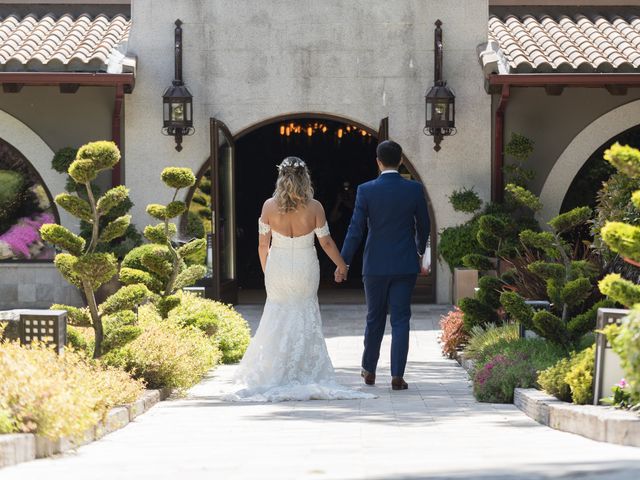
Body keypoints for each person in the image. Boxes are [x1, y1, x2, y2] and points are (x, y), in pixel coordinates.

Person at [225, 157, 376, 402]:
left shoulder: (268, 206)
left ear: (281, 178)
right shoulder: (315, 207)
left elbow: (263, 244)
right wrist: (341, 264)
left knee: (278, 314)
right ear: (305, 178)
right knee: (305, 313)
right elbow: (325, 242)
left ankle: (276, 371)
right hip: (306, 268)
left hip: (278, 267)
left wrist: (267, 271)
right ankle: (305, 369)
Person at [337, 140, 430, 391]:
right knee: (401, 319)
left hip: (375, 265)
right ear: (401, 161)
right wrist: (421, 251)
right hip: (404, 263)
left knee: (374, 317)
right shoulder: (413, 189)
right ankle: (397, 376)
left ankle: (369, 370)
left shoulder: (366, 190)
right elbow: (424, 225)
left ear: (378, 162)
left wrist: (343, 261)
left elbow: (355, 230)